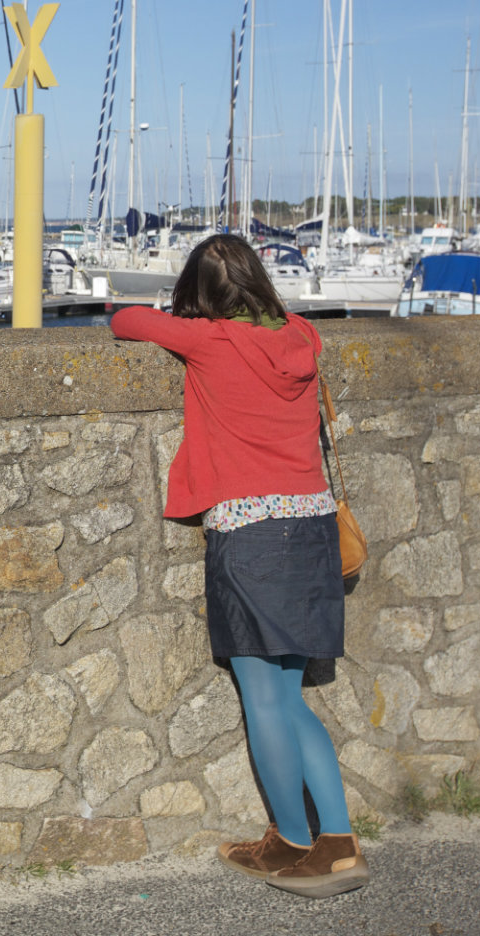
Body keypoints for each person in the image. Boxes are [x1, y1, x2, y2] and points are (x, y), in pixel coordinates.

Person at [109, 233, 368, 898]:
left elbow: (125, 320)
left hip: (251, 536)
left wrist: (186, 319)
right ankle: (335, 842)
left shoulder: (211, 342)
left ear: (202, 298)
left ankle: (294, 844)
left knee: (264, 702)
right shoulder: (302, 335)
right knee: (290, 696)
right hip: (310, 530)